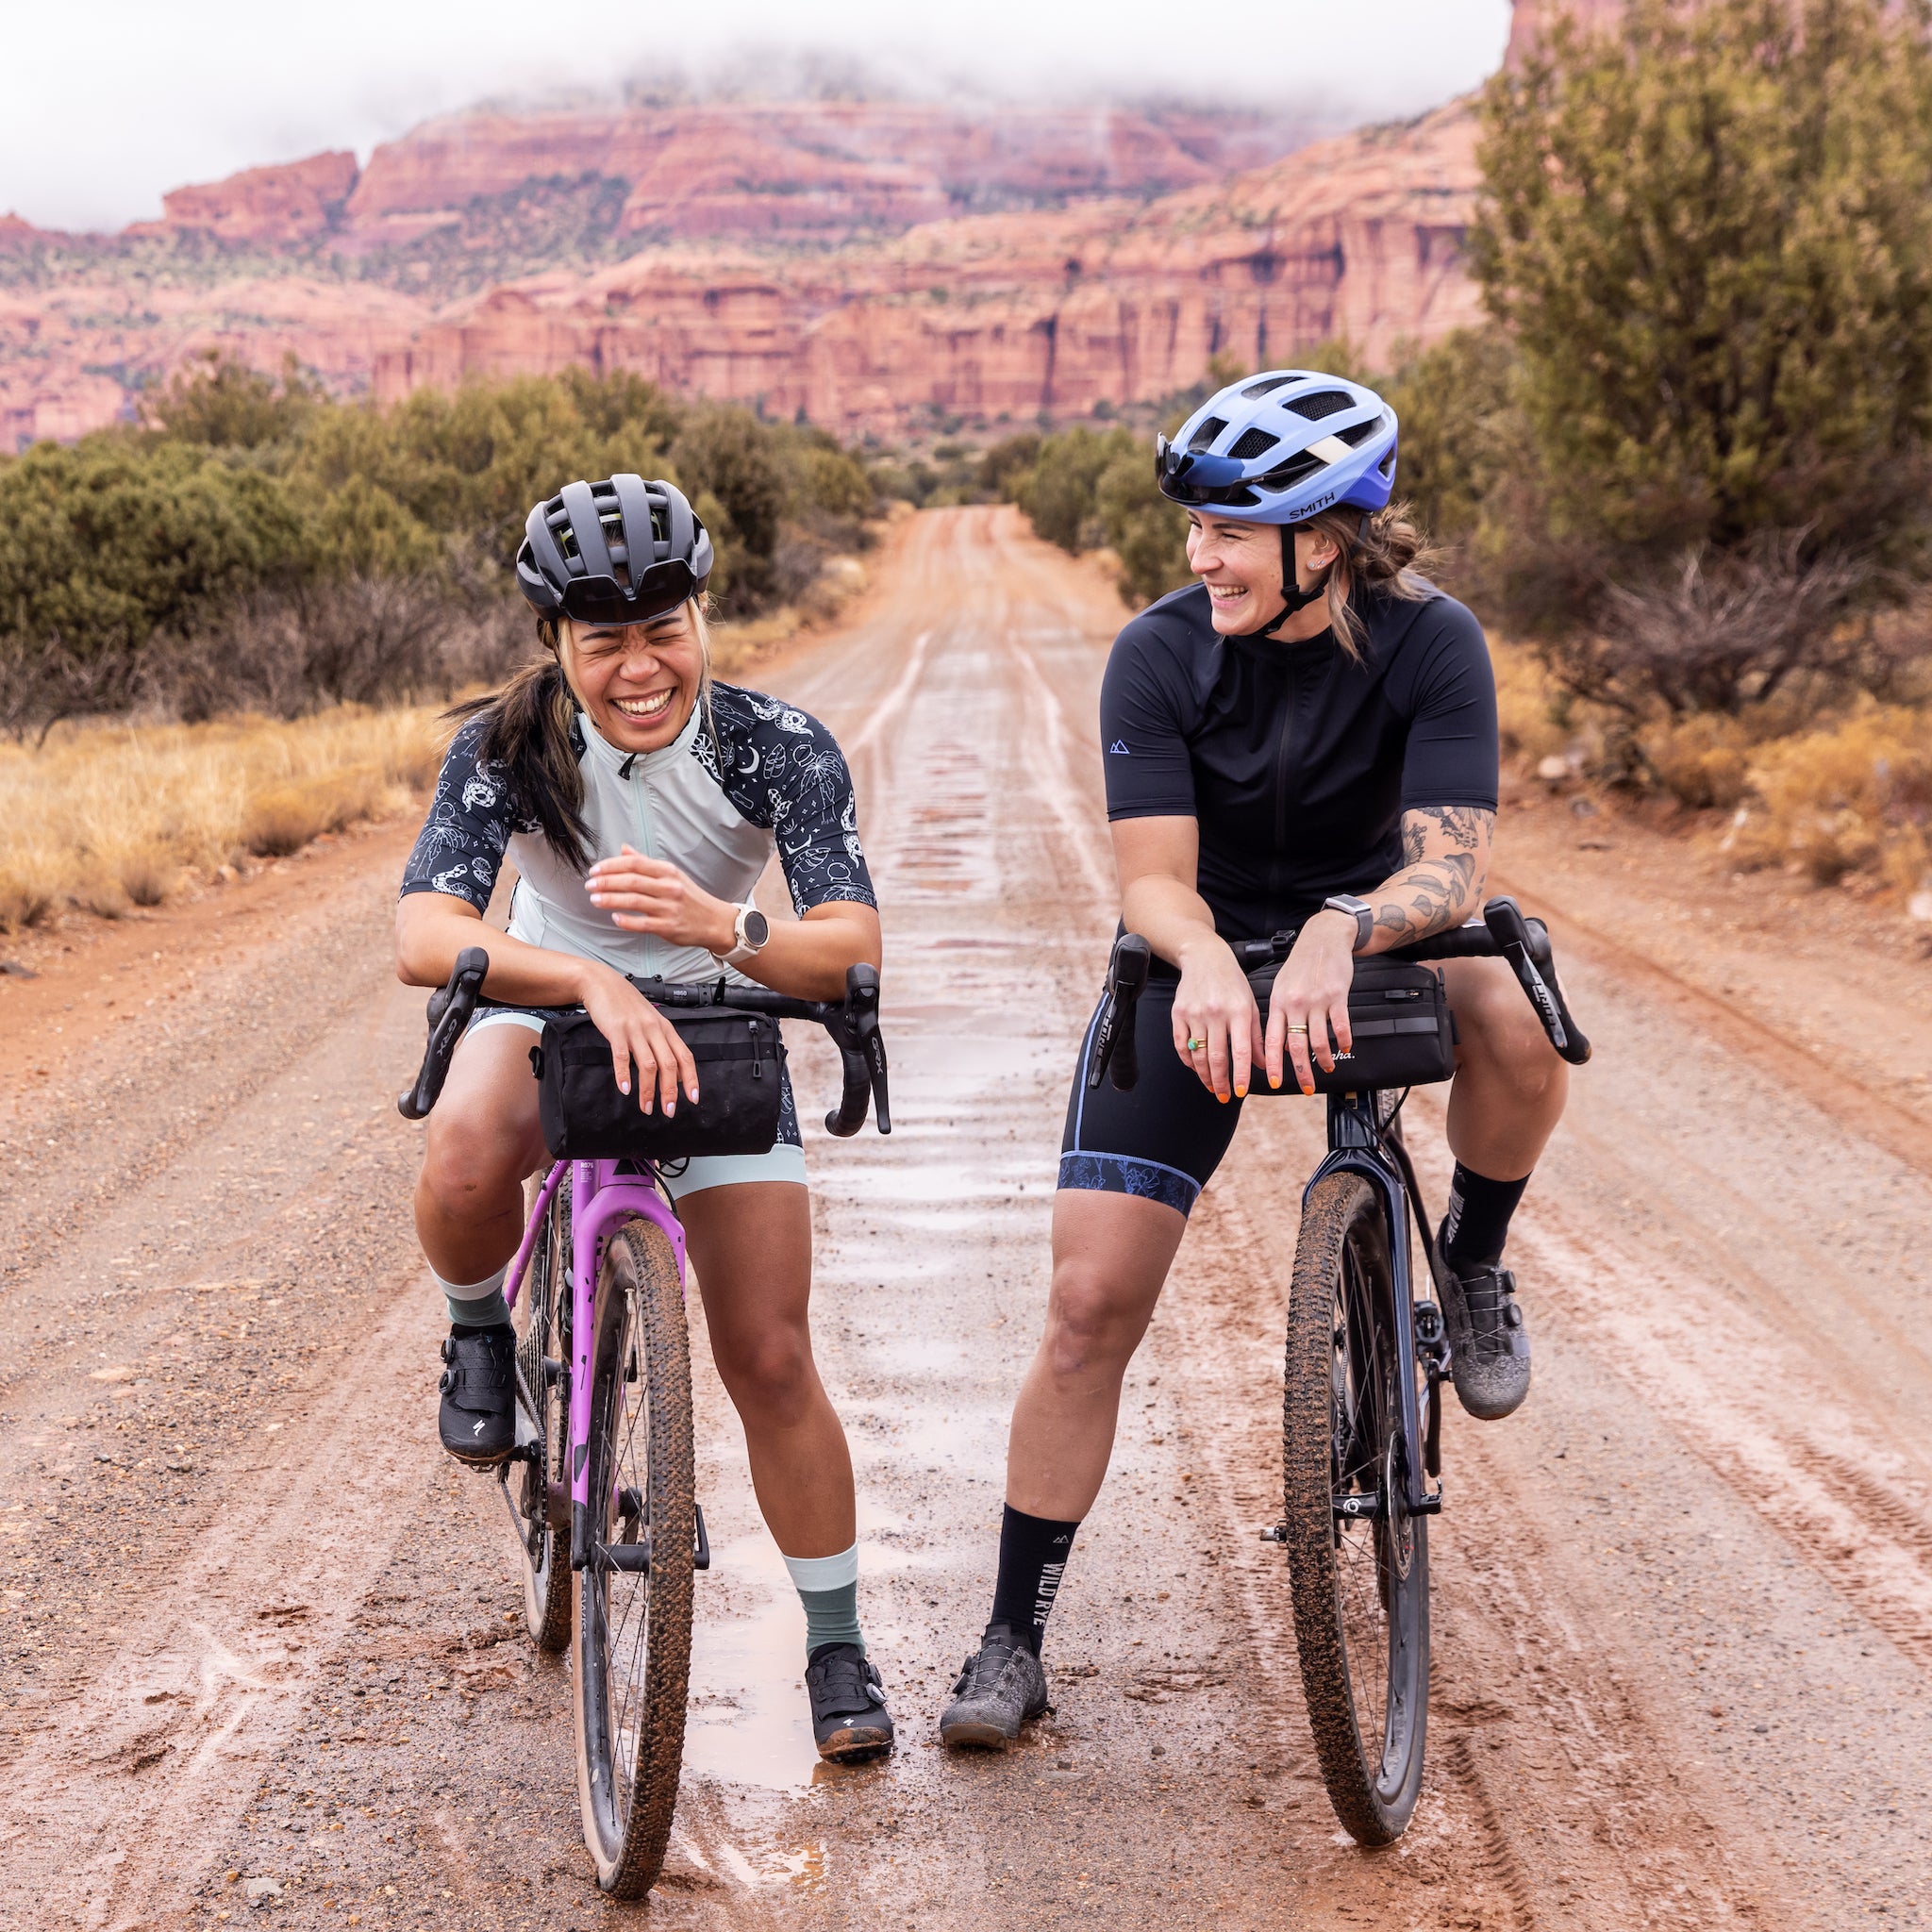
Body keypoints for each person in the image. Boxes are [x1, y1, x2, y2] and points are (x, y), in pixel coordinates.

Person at [939, 372, 1569, 1749]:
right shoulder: (1161, 655)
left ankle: (1470, 1256)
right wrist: (1213, 957)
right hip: (1201, 954)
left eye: (1228, 531)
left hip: (1381, 933)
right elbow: (1154, 881)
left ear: (1323, 541)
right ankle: (1011, 1638)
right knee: (1088, 1304)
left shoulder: (1434, 642)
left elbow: (1454, 864)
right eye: (1195, 528)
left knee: (1517, 1013)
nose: (1196, 554)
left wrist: (1349, 928)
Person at [395, 475, 892, 1762]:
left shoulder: (775, 744)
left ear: (702, 616)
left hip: (717, 1020)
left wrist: (728, 929)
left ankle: (836, 1644)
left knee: (771, 1357)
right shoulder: (506, 747)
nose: (639, 666)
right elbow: (425, 933)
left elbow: (848, 949)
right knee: (459, 1157)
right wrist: (587, 972)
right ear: (556, 645)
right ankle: (478, 1338)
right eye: (603, 640)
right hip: (552, 996)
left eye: (662, 628)